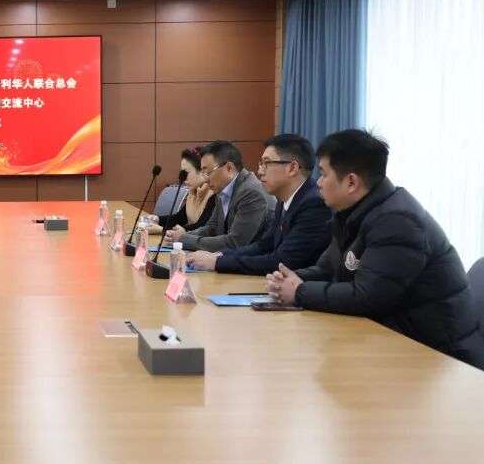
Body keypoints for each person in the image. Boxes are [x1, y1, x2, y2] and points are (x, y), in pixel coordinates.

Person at [267, 130, 484, 369]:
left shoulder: (398, 221)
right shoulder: (352, 214)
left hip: (440, 358)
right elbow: (328, 269)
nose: (318, 182)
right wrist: (290, 279)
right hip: (395, 340)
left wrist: (299, 292)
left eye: (324, 174)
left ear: (351, 182)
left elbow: (368, 297)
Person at [188, 134, 331, 274]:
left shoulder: (314, 204)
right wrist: (218, 256)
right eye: (261, 163)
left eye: (266, 163)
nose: (260, 171)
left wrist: (217, 262)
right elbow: (263, 246)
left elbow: (281, 262)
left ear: (292, 168)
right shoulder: (284, 201)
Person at [165, 140, 275, 252]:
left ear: (229, 168)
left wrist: (184, 239)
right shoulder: (222, 188)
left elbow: (234, 243)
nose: (205, 179)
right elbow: (212, 228)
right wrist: (181, 236)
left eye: (208, 172)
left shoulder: (251, 193)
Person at [148, 147, 216, 233]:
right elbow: (180, 218)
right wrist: (157, 219)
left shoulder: (214, 195)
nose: (183, 178)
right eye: (182, 173)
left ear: (202, 171)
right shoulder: (193, 191)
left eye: (186, 173)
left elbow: (200, 227)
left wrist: (162, 230)